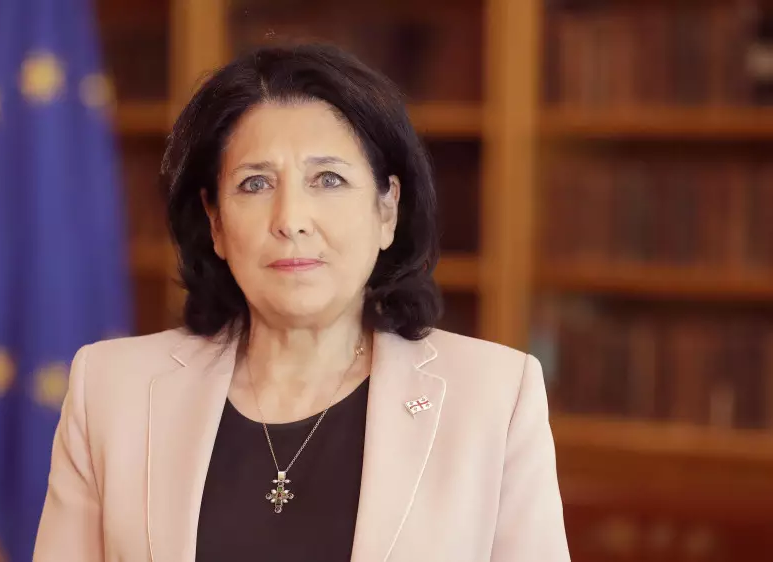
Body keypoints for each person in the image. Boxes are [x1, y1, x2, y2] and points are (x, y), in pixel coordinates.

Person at [33, 43, 570, 562]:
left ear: (387, 210)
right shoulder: (110, 391)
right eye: (255, 184)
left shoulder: (494, 399)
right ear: (215, 221)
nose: (290, 219)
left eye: (328, 179)